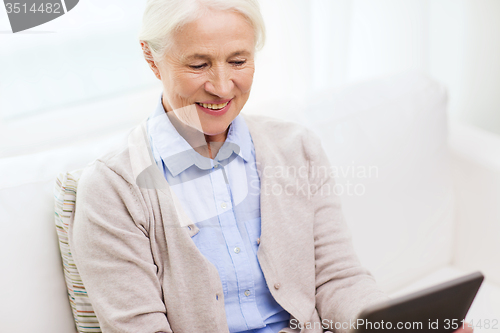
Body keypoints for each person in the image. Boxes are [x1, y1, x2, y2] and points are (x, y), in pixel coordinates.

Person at [69, 1, 474, 332]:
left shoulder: (296, 150)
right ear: (151, 58)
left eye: (239, 60)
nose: (223, 86)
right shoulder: (112, 188)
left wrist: (393, 328)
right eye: (198, 65)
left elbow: (338, 280)